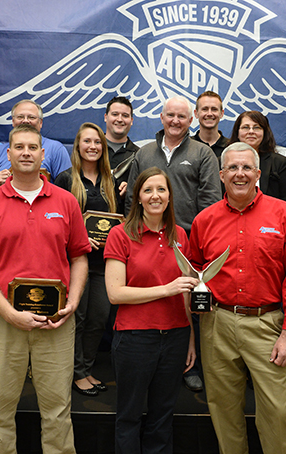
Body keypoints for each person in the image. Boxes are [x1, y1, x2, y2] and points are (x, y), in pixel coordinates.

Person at [0, 124, 90, 454]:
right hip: (3, 320)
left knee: (58, 412)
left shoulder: (65, 202)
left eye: (32, 147)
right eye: (19, 147)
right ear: (8, 154)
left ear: (43, 154)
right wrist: (8, 312)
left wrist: (73, 301)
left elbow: (79, 258)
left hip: (57, 322)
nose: (26, 153)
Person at [189, 142, 286, 454]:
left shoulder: (285, 214)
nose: (239, 174)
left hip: (267, 326)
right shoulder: (204, 220)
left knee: (278, 412)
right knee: (223, 409)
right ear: (221, 175)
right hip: (217, 324)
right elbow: (194, 272)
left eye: (246, 168)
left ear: (258, 173)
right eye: (232, 168)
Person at [125, 95, 221, 393]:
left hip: (188, 243)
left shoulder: (203, 153)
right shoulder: (144, 153)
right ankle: (155, 363)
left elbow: (210, 202)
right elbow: (132, 200)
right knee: (154, 299)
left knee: (190, 304)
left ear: (191, 119)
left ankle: (191, 367)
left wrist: (194, 240)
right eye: (170, 116)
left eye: (181, 116)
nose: (176, 121)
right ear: (161, 117)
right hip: (148, 240)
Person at [105, 167, 197, 454]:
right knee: (129, 416)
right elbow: (115, 293)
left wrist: (190, 337)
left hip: (175, 337)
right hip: (135, 338)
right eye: (148, 190)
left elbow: (185, 290)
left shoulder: (180, 235)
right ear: (138, 198)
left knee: (162, 416)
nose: (155, 196)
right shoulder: (121, 235)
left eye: (161, 190)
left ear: (170, 197)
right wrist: (166, 289)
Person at [55, 122, 121, 396]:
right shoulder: (64, 180)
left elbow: (120, 223)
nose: (93, 146)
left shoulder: (111, 182)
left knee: (98, 319)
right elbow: (56, 224)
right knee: (77, 319)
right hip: (74, 263)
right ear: (78, 146)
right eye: (87, 142)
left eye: (97, 142)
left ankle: (86, 368)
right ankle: (74, 373)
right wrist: (80, 238)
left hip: (104, 265)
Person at [0, 99, 71, 185]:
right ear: (13, 121)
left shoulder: (56, 149)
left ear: (40, 122)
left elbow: (68, 187)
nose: (25, 121)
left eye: (31, 117)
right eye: (20, 117)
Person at [228, 110, 286, 204]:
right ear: (237, 132)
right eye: (245, 127)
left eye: (256, 128)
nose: (251, 131)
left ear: (264, 133)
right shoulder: (223, 162)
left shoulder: (279, 163)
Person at [104, 96, 140, 188]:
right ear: (105, 117)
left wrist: (130, 190)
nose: (120, 119)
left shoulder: (139, 155)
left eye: (125, 115)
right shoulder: (92, 150)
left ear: (131, 121)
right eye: (115, 114)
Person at [192, 91, 230, 159]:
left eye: (214, 109)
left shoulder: (230, 147)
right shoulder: (187, 146)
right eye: (204, 109)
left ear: (221, 113)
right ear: (196, 113)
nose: (209, 114)